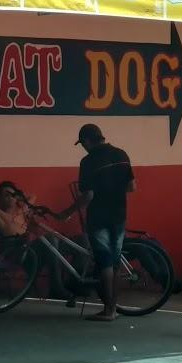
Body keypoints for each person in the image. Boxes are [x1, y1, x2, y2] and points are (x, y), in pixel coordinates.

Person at [56, 124, 133, 322]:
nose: (83, 147)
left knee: (105, 262)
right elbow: (132, 186)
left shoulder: (88, 161)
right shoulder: (121, 154)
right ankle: (113, 308)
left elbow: (88, 195)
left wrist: (67, 212)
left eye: (83, 144)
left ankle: (108, 311)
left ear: (87, 141)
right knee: (115, 262)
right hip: (119, 213)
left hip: (99, 217)